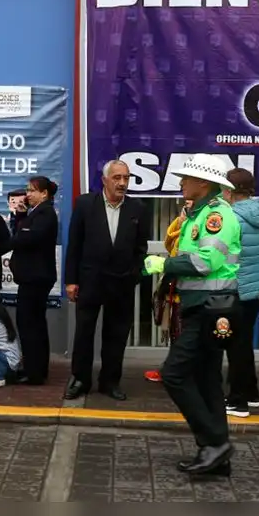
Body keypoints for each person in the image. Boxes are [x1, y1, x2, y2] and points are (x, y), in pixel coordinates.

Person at [141, 154, 241, 476]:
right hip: (202, 304)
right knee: (207, 378)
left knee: (174, 373)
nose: (181, 182)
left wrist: (163, 264)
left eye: (186, 178)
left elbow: (204, 262)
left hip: (211, 307)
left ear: (203, 183)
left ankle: (214, 442)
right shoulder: (195, 215)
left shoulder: (217, 216)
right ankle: (215, 455)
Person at [64, 160, 150, 401]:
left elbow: (140, 248)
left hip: (121, 283)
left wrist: (133, 275)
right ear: (104, 180)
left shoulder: (138, 208)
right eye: (117, 178)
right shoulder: (85, 204)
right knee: (84, 333)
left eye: (126, 178)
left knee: (117, 334)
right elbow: (75, 245)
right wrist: (71, 281)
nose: (122, 183)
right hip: (90, 281)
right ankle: (80, 379)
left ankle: (110, 382)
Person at [222, 167, 259, 418]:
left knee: (236, 346)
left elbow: (225, 254)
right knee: (243, 343)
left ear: (231, 191)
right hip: (254, 287)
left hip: (236, 287)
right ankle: (251, 394)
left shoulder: (232, 218)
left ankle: (237, 401)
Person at [4, 176, 59, 385]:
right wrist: (20, 215)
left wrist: (13, 239)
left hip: (36, 277)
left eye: (32, 190)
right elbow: (21, 232)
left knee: (30, 324)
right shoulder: (34, 213)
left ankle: (34, 372)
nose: (27, 194)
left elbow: (26, 238)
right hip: (30, 277)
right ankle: (33, 368)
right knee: (30, 323)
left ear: (44, 193)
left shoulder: (46, 214)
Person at [146, 199, 192, 383]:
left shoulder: (207, 222)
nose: (187, 206)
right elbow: (169, 245)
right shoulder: (184, 222)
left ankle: (181, 373)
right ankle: (172, 369)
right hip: (175, 286)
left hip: (192, 290)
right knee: (175, 332)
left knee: (186, 335)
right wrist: (181, 223)